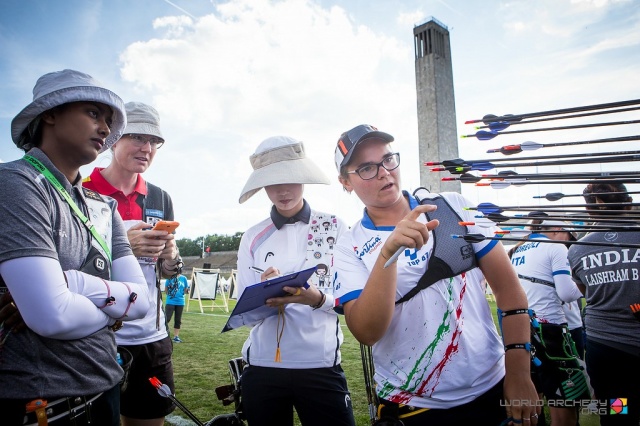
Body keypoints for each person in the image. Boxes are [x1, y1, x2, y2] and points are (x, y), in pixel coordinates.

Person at [332, 124, 540, 425]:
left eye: (388, 159)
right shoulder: (348, 245)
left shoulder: (454, 207)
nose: (383, 172)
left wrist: (519, 372)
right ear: (345, 182)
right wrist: (387, 255)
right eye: (366, 168)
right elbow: (366, 331)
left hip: (493, 386)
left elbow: (510, 293)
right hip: (413, 405)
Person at [0, 69, 150, 425]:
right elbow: (52, 316)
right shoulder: (15, 184)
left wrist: (73, 286)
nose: (104, 129)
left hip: (106, 383)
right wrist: (114, 309)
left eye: (108, 120)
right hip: (39, 400)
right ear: (50, 113)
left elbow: (142, 303)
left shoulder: (103, 205)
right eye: (94, 113)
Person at [236, 136, 355, 426]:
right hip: (263, 367)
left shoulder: (335, 227)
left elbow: (350, 301)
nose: (282, 190)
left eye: (290, 178)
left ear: (303, 178)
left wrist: (316, 299)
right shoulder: (253, 236)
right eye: (272, 182)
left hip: (320, 365)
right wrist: (263, 293)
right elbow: (244, 311)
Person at [83, 101, 181, 426]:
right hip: (97, 337)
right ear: (112, 139)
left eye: (155, 142)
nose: (147, 148)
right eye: (138, 137)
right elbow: (65, 268)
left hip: (151, 338)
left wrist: (170, 257)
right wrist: (123, 245)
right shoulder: (80, 191)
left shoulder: (160, 197)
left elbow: (169, 272)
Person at [568, 182, 640, 426]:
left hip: (605, 350)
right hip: (610, 346)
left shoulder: (577, 249)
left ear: (589, 211)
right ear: (628, 204)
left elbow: (585, 291)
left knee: (619, 415)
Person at [509, 219, 587, 426]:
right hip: (552, 332)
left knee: (536, 399)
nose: (569, 243)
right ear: (559, 230)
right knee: (565, 410)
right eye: (569, 237)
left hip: (524, 332)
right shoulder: (555, 247)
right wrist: (594, 285)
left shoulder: (519, 248)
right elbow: (567, 293)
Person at [165, 272, 190, 342]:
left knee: (178, 320)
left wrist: (187, 291)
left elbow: (185, 290)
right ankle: (163, 334)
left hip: (180, 301)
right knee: (167, 318)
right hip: (170, 301)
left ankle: (176, 336)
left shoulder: (184, 278)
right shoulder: (169, 278)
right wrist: (171, 295)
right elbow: (166, 290)